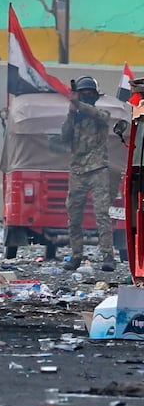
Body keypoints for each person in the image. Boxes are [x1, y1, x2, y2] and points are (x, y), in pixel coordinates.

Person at [61, 76, 116, 272]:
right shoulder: (75, 116)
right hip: (77, 171)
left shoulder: (101, 114)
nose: (85, 97)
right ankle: (76, 256)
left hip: (98, 170)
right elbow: (64, 137)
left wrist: (78, 104)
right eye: (82, 94)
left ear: (94, 96)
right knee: (74, 216)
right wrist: (70, 114)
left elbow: (99, 116)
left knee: (102, 215)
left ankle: (108, 256)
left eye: (88, 94)